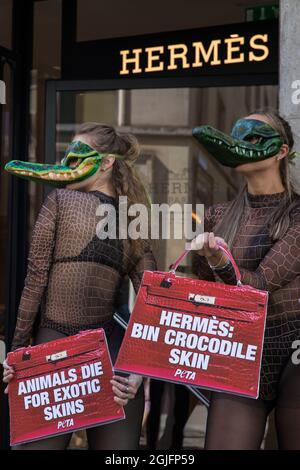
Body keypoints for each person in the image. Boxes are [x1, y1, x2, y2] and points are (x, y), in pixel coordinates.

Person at [3, 122, 156, 450]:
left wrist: (15, 353)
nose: (65, 166)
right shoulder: (133, 218)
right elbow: (151, 299)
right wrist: (140, 370)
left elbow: (34, 284)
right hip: (114, 358)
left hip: (54, 348)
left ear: (106, 162)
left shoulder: (60, 200)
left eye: (75, 158)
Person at [192, 110, 300, 450]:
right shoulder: (218, 215)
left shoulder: (297, 214)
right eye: (236, 137)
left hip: (293, 348)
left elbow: (263, 285)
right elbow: (203, 289)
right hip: (236, 347)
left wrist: (220, 261)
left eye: (252, 138)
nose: (241, 145)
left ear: (281, 151)